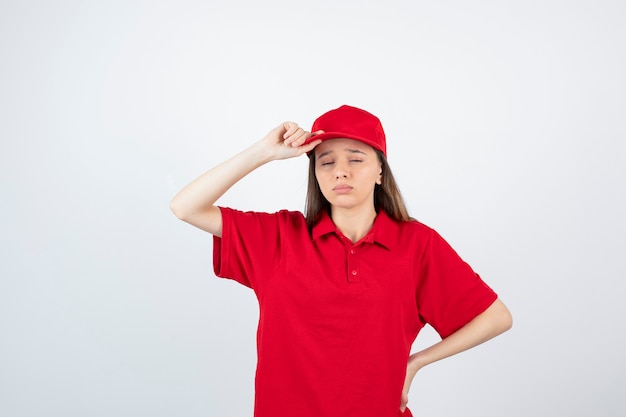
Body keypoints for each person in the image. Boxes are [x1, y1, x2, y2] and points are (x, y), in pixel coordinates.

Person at [170, 105, 512, 417]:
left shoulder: (416, 245)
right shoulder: (279, 238)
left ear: (380, 171)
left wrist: (414, 363)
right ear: (315, 175)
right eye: (326, 161)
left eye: (356, 159)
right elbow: (185, 207)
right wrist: (263, 152)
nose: (340, 172)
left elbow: (495, 317)